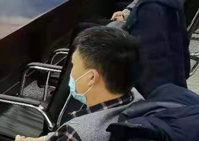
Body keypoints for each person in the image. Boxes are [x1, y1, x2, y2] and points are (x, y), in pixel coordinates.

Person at [15, 27, 143, 141]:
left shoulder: (79, 133)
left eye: (74, 65)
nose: (71, 72)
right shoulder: (136, 98)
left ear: (91, 77)